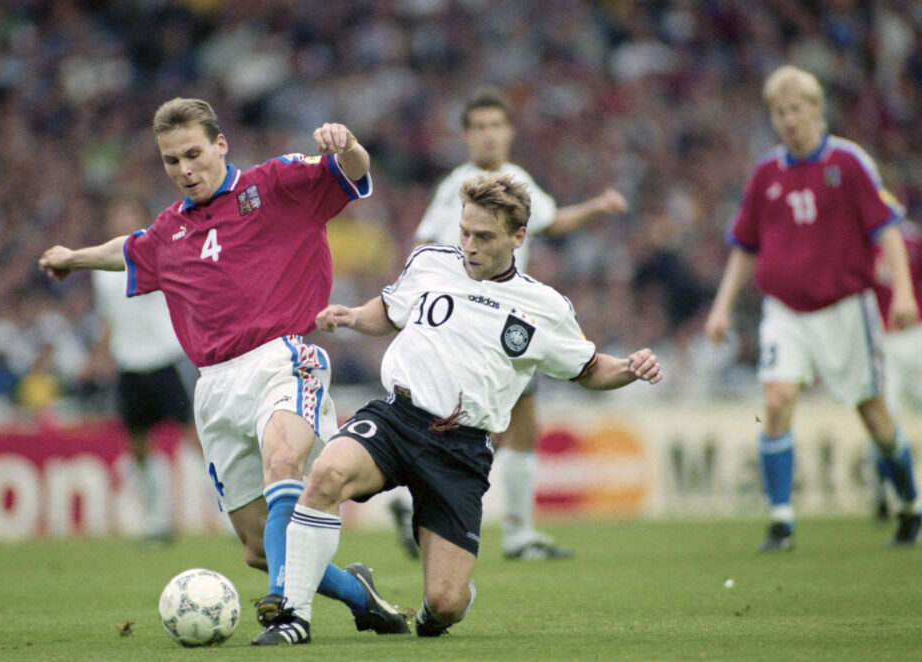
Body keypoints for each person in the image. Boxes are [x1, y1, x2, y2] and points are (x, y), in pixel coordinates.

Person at [39, 98, 408, 636]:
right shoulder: (171, 231)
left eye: (193, 154)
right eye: (170, 161)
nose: (184, 170)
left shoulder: (276, 183)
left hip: (281, 359)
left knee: (283, 460)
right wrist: (74, 257)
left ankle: (288, 611)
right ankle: (358, 594)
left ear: (220, 145)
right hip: (212, 388)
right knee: (260, 549)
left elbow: (353, 171)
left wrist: (347, 144)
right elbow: (130, 248)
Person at [251, 174, 663, 645]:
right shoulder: (430, 262)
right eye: (464, 231)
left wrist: (629, 368)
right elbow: (389, 311)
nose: (469, 245)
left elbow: (589, 369)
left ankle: (441, 604)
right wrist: (352, 318)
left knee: (444, 605)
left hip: (461, 450)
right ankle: (294, 618)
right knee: (325, 475)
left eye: (484, 236)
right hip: (397, 419)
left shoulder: (544, 307)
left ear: (517, 238)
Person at [394, 85, 629, 561]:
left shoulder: (516, 180)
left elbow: (551, 221)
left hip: (510, 320)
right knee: (480, 424)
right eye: (479, 127)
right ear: (466, 135)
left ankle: (507, 527)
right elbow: (432, 250)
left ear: (509, 131)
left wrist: (595, 208)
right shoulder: (458, 188)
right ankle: (431, 505)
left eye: (495, 126)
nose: (488, 136)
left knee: (517, 423)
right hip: (477, 324)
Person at [704, 65, 921, 551]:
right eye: (779, 112)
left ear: (816, 110)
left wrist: (904, 293)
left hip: (845, 309)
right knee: (777, 401)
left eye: (796, 109)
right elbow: (745, 244)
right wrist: (721, 307)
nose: (788, 119)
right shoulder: (766, 172)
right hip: (785, 311)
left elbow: (887, 229)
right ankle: (781, 523)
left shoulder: (849, 162)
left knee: (875, 417)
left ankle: (910, 504)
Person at [85, 194, 199, 541]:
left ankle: (231, 512)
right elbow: (108, 317)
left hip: (164, 360)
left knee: (196, 439)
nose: (121, 221)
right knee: (137, 447)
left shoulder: (158, 252)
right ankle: (156, 520)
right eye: (116, 216)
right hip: (129, 366)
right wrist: (100, 355)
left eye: (128, 213)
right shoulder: (103, 271)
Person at [870, 220, 922, 519]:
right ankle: (888, 496)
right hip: (881, 342)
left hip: (915, 335)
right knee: (883, 419)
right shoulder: (859, 244)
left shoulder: (913, 240)